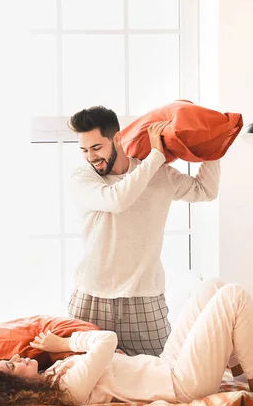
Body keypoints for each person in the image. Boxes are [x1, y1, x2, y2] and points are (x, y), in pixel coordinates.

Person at [0, 278, 253, 406]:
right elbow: (107, 341)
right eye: (11, 365)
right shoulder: (67, 388)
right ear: (15, 387)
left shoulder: (56, 376)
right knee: (234, 297)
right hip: (182, 383)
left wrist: (60, 348)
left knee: (213, 287)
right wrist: (64, 344)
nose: (16, 357)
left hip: (166, 365)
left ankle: (241, 372)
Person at [66, 105, 221, 356]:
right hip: (92, 297)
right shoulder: (83, 177)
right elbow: (117, 200)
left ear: (117, 138)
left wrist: (214, 146)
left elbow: (206, 190)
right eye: (84, 150)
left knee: (164, 372)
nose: (90, 157)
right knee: (84, 380)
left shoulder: (158, 174)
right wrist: (155, 157)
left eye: (96, 147)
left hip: (145, 299)